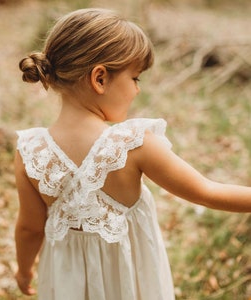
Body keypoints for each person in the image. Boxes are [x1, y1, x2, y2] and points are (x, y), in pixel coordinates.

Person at [14, 8, 251, 300]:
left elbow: (28, 228)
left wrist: (24, 272)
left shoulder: (30, 151)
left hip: (64, 285)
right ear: (99, 78)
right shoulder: (132, 145)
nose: (137, 90)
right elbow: (207, 192)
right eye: (135, 78)